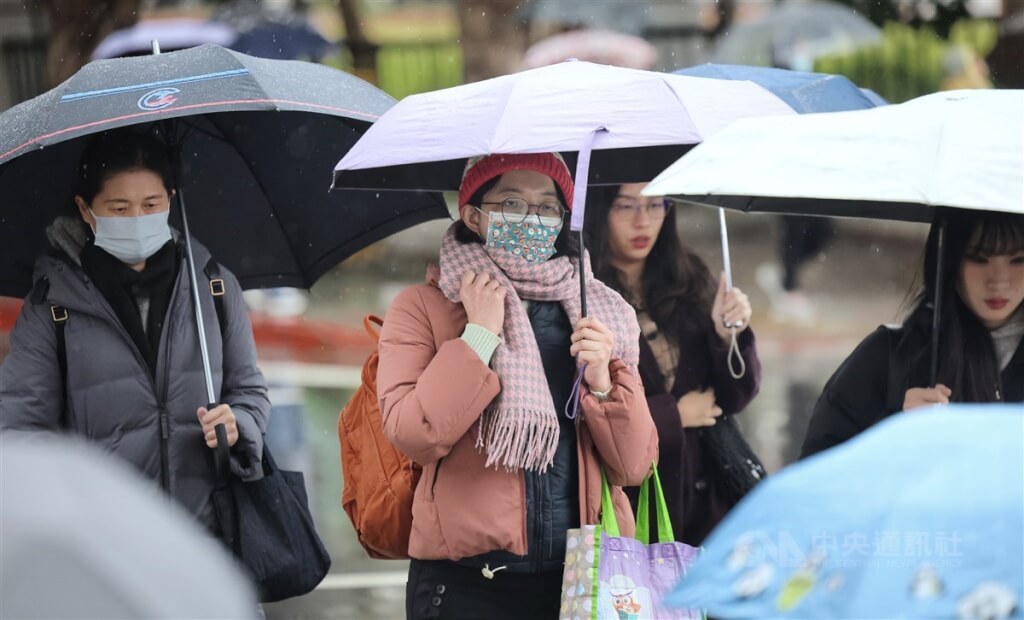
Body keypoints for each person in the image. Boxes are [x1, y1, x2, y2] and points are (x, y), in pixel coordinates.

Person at [377, 153, 658, 620]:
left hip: (583, 576)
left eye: (548, 208)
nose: (532, 219)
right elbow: (413, 434)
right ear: (473, 215)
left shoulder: (601, 312)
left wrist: (604, 383)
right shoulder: (424, 307)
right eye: (512, 202)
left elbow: (634, 466)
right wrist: (478, 338)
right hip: (468, 581)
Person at [0, 128, 270, 534]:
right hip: (107, 547)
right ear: (85, 209)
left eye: (151, 204)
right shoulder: (52, 305)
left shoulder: (212, 286)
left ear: (171, 201)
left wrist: (239, 424)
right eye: (119, 209)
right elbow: (20, 427)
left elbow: (249, 391)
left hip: (210, 539)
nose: (138, 220)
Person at [583, 183, 761, 546]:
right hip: (634, 506)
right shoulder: (585, 292)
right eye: (625, 207)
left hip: (707, 506)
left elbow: (734, 397)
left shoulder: (690, 277)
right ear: (600, 211)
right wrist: (671, 415)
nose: (642, 222)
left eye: (654, 206)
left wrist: (728, 334)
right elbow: (585, 408)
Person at [801, 209, 1024, 458]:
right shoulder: (887, 358)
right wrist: (895, 431)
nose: (1000, 281)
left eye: (1018, 259)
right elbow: (816, 472)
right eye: (979, 258)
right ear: (949, 257)